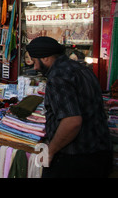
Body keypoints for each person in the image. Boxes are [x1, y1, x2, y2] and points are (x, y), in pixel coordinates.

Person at [26, 36, 112, 178]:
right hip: (100, 152)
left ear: (45, 58)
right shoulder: (82, 69)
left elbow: (72, 122)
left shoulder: (58, 77)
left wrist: (50, 151)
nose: (35, 67)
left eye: (35, 61)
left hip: (75, 159)